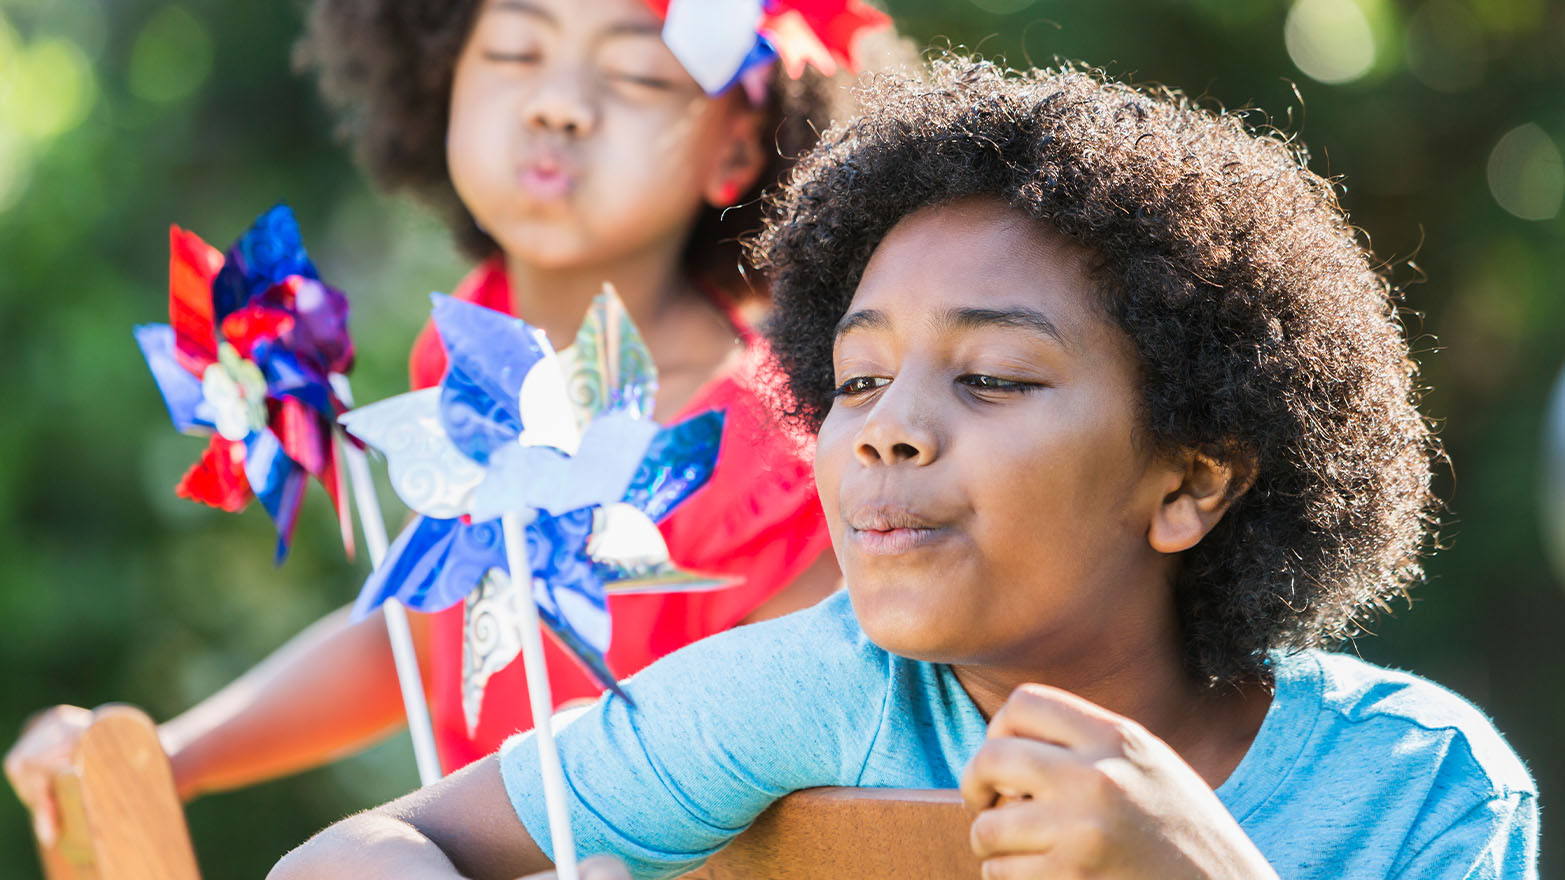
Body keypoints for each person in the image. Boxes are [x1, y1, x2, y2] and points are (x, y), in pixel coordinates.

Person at [268, 57, 1538, 880]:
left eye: (990, 378)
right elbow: (371, 845)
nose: (883, 429)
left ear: (1189, 481)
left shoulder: (1422, 789)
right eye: (857, 380)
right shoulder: (824, 690)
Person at [6, 0, 901, 842]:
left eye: (632, 75)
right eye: (514, 52)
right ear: (437, 83)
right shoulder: (475, 340)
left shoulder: (788, 441)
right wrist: (171, 757)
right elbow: (427, 625)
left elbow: (789, 762)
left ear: (736, 149)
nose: (557, 105)